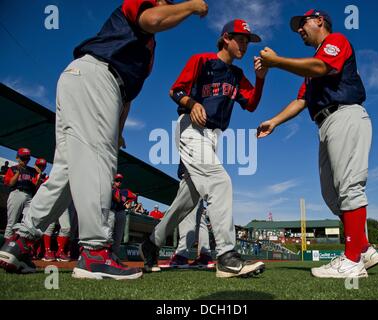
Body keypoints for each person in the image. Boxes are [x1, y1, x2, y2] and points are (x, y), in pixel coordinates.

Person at [0, 0, 209, 280]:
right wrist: (192, 5)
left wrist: (118, 130)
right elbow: (154, 19)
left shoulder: (146, 51)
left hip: (92, 81)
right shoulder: (147, 14)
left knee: (66, 170)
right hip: (97, 75)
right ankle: (95, 252)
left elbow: (126, 97)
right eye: (167, 2)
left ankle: (20, 241)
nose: (168, 4)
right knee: (98, 161)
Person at [256, 9, 378, 278]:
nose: (299, 30)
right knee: (331, 194)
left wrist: (277, 61)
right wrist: (275, 121)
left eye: (302, 24)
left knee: (349, 186)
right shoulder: (312, 65)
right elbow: (302, 100)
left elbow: (324, 67)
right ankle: (364, 249)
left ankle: (352, 260)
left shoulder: (335, 40)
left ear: (319, 21)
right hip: (325, 123)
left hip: (345, 113)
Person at [140, 19, 268, 278]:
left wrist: (260, 77)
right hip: (191, 128)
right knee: (220, 182)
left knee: (188, 198)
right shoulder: (202, 60)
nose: (244, 43)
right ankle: (226, 256)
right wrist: (191, 103)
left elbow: (251, 104)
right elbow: (175, 90)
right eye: (240, 38)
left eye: (247, 40)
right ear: (225, 39)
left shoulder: (237, 75)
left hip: (213, 136)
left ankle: (151, 243)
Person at [2, 148, 40, 240]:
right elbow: (10, 183)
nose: (25, 160)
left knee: (28, 221)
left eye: (27, 158)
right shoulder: (13, 169)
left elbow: (36, 185)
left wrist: (39, 174)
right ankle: (6, 244)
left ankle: (20, 242)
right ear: (17, 158)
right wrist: (18, 171)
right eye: (23, 158)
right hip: (17, 193)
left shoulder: (33, 171)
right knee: (12, 221)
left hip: (29, 195)